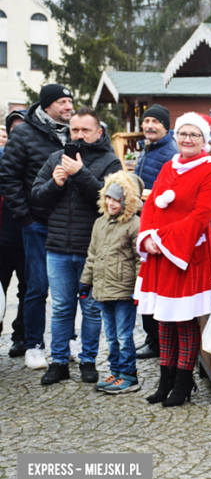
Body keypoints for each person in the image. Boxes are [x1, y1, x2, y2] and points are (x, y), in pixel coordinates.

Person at [30, 107, 123, 385]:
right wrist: (56, 183)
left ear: (99, 132)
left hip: (93, 251)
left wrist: (80, 173)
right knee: (60, 308)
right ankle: (58, 362)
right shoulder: (55, 159)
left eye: (85, 130)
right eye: (74, 130)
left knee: (92, 309)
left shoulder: (111, 162)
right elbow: (36, 198)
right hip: (57, 247)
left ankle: (88, 361)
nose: (79, 135)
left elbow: (111, 203)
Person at [138, 112, 211, 408]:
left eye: (194, 135)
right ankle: (166, 380)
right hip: (160, 252)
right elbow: (150, 204)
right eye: (183, 134)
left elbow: (202, 215)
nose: (188, 139)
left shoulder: (210, 170)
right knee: (163, 319)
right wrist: (147, 236)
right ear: (176, 137)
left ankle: (184, 382)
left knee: (184, 320)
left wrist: (162, 239)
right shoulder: (168, 165)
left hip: (187, 252)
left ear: (204, 141)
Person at [0, 85, 73, 370]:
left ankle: (69, 342)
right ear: (47, 106)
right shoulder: (24, 133)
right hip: (35, 224)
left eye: (70, 101)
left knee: (70, 289)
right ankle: (33, 345)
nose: (69, 107)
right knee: (36, 286)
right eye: (63, 102)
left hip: (68, 225)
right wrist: (25, 217)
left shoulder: (72, 132)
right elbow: (9, 177)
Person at [80, 171, 143, 394]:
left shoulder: (134, 224)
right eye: (108, 197)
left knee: (124, 336)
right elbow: (92, 255)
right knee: (112, 335)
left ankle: (129, 374)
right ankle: (116, 372)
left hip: (124, 291)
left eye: (117, 199)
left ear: (127, 200)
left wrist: (139, 289)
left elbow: (139, 260)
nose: (111, 203)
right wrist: (85, 282)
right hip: (103, 289)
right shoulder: (100, 223)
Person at [134, 104, 178, 361]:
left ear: (165, 126)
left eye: (155, 122)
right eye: (146, 120)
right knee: (146, 285)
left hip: (158, 230)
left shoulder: (168, 153)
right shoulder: (148, 149)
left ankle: (158, 341)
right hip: (146, 225)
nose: (149, 125)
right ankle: (153, 338)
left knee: (154, 286)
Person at [0, 110, 28, 358]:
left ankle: (20, 337)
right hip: (1, 239)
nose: (16, 132)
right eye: (13, 128)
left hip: (26, 238)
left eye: (22, 127)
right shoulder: (1, 157)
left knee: (27, 290)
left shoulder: (32, 159)